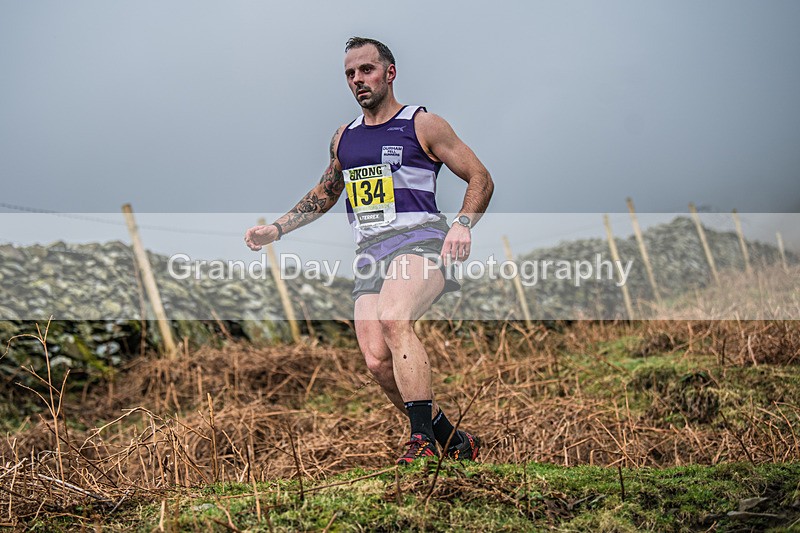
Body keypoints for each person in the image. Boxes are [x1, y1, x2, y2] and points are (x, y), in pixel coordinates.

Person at [245, 37, 493, 465]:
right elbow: (326, 191)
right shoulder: (345, 138)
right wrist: (278, 228)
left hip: (421, 242)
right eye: (350, 74)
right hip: (370, 254)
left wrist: (463, 223)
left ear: (389, 73)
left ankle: (419, 442)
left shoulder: (423, 124)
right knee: (377, 360)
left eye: (366, 70)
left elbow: (480, 177)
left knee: (395, 317)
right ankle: (454, 440)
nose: (358, 80)